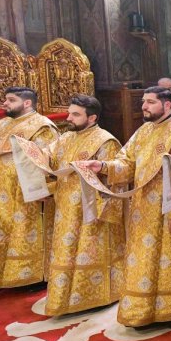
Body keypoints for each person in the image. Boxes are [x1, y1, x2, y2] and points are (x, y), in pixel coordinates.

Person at [85, 87, 171, 327]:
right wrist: (103, 166)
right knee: (144, 258)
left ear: (167, 105)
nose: (144, 107)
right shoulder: (143, 131)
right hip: (142, 210)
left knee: (170, 258)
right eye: (143, 102)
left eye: (150, 102)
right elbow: (126, 162)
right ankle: (145, 307)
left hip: (167, 211)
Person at [0, 86, 59, 291]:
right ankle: (0, 275)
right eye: (5, 99)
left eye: (10, 100)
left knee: (26, 230)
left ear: (27, 103)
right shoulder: (0, 125)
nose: (5, 103)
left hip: (23, 190)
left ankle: (34, 276)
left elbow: (48, 158)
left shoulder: (42, 126)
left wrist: (46, 188)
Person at [43, 95, 124, 317]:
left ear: (92, 118)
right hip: (64, 206)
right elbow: (46, 160)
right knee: (65, 251)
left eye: (75, 114)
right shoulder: (65, 137)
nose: (68, 117)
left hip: (90, 209)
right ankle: (64, 296)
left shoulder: (105, 141)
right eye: (69, 112)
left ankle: (94, 296)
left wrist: (104, 209)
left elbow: (114, 180)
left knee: (88, 252)